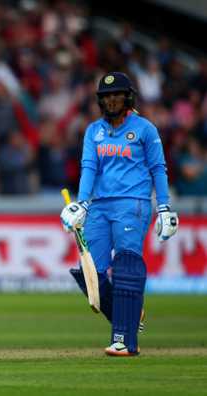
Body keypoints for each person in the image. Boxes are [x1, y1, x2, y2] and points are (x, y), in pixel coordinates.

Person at [60, 72, 178, 356]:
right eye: (106, 96)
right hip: (98, 206)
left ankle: (124, 340)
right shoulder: (94, 131)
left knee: (125, 267)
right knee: (89, 274)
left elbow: (157, 169)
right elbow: (89, 168)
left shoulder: (145, 129)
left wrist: (163, 207)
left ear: (128, 97)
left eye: (117, 95)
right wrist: (82, 204)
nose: (112, 100)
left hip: (133, 204)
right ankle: (130, 314)